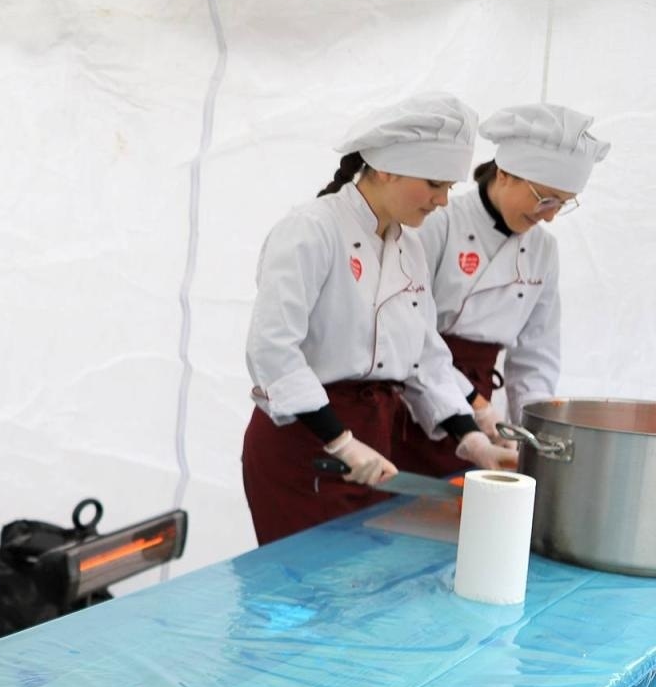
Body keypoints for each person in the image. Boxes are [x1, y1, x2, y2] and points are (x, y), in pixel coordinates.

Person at [242, 93, 518, 545]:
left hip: (375, 441)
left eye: (449, 187)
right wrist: (339, 441)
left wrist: (470, 439)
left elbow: (426, 357)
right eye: (434, 184)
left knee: (357, 590)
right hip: (305, 444)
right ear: (387, 167)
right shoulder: (311, 230)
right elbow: (273, 350)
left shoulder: (408, 247)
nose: (443, 202)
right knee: (303, 594)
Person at [393, 104, 610, 477]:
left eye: (564, 202)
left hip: (478, 398)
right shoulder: (439, 222)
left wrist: (530, 433)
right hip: (410, 390)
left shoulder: (543, 250)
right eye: (546, 198)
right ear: (506, 174)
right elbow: (410, 331)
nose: (551, 214)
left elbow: (535, 357)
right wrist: (474, 405)